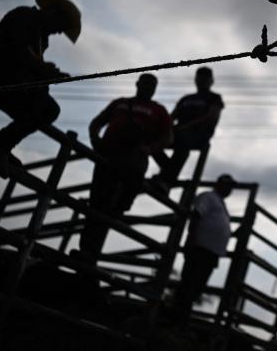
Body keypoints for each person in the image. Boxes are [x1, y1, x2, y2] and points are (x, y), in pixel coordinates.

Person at [76, 73, 172, 264]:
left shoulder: (159, 110)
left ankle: (90, 253)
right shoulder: (120, 103)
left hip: (133, 159)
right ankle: (86, 252)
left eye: (152, 85)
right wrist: (97, 143)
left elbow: (168, 138)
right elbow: (96, 123)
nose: (148, 87)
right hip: (109, 155)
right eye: (146, 83)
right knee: (97, 203)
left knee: (115, 206)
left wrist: (149, 149)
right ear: (138, 84)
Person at [0, 0, 81, 178]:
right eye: (62, 26)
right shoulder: (24, 16)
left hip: (15, 85)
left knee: (44, 108)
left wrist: (48, 75)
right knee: (48, 109)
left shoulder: (41, 38)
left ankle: (1, 147)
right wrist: (43, 69)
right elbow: (20, 51)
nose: (60, 32)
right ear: (53, 13)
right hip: (1, 80)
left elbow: (32, 63)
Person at [172, 174, 235, 323]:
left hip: (210, 252)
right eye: (227, 185)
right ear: (218, 184)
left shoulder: (220, 203)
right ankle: (176, 319)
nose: (229, 189)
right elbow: (196, 215)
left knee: (196, 287)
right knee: (190, 284)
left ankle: (179, 318)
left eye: (231, 187)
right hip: (200, 248)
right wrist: (191, 239)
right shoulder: (208, 196)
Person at [152, 66, 223, 193]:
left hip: (200, 135)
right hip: (178, 132)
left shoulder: (214, 98)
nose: (202, 80)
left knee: (182, 141)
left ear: (211, 81)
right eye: (199, 77)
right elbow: (171, 117)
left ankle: (166, 180)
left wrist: (186, 126)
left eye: (205, 78)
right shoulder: (186, 98)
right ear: (196, 79)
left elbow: (211, 117)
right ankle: (168, 174)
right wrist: (164, 128)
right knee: (151, 139)